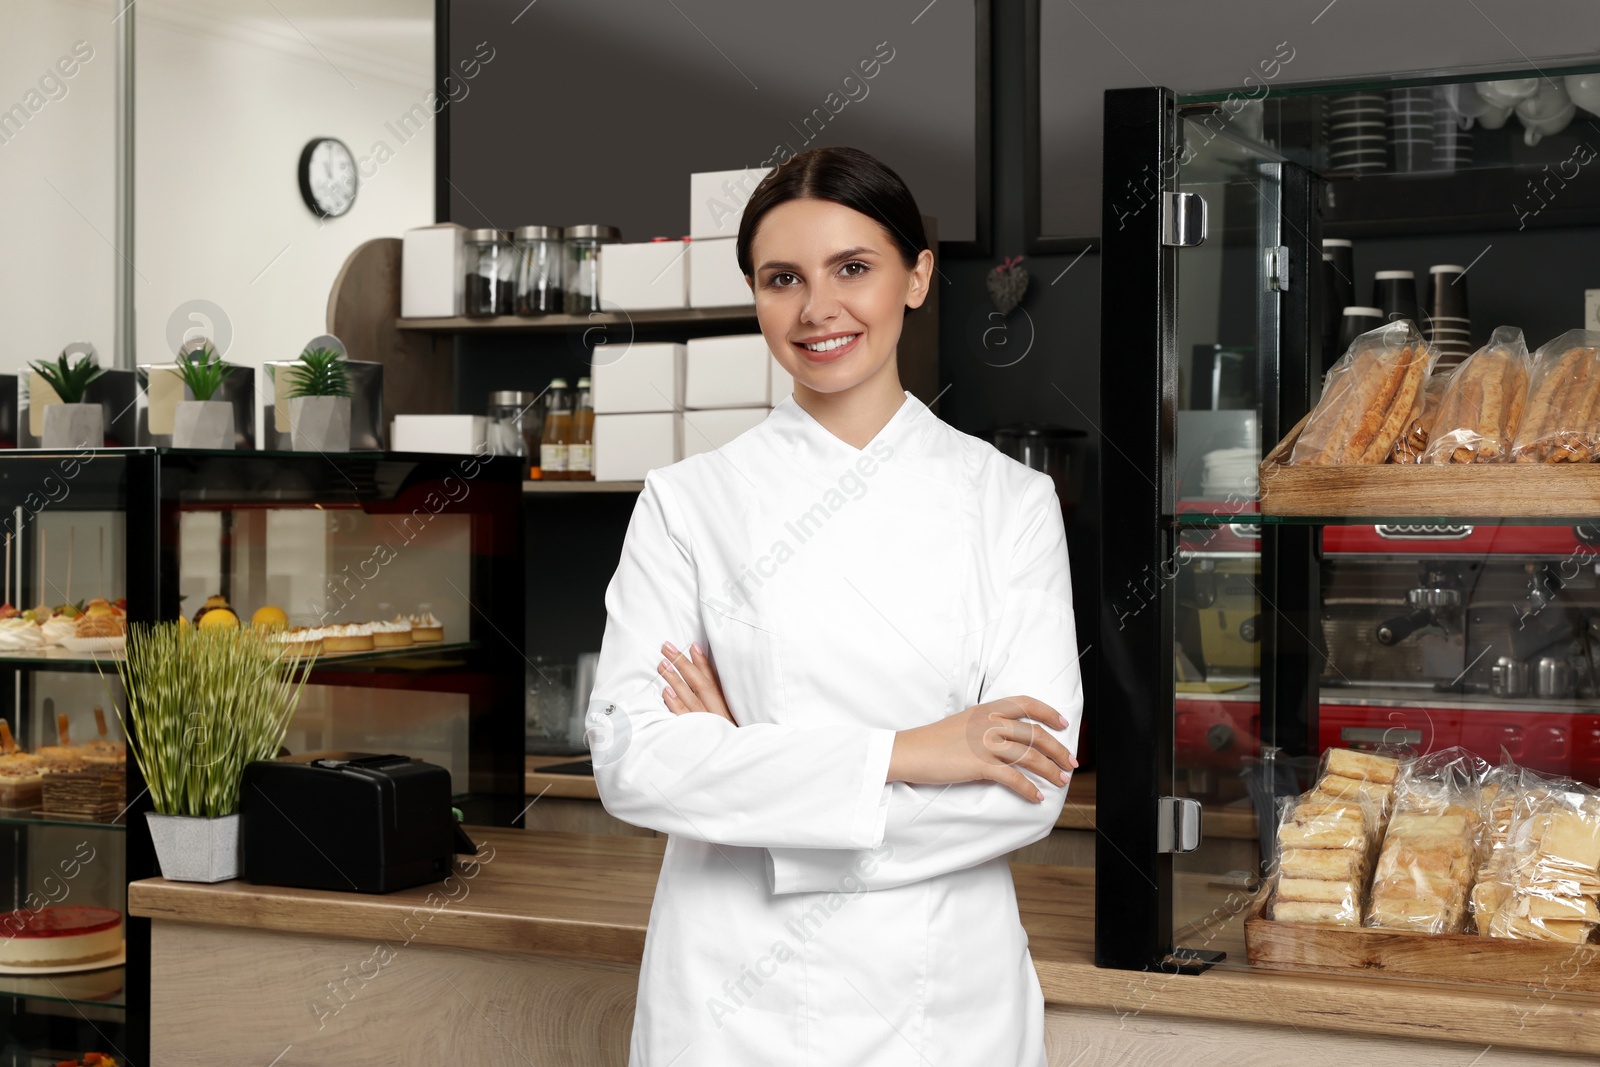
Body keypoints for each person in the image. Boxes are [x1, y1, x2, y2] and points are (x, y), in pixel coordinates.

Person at [586, 145, 1082, 1066]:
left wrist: (743, 762)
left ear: (918, 276)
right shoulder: (687, 503)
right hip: (730, 1003)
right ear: (756, 296)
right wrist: (913, 751)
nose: (818, 309)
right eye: (783, 279)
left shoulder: (1010, 504)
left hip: (944, 1003)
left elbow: (1029, 785)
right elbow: (633, 758)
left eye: (853, 268)